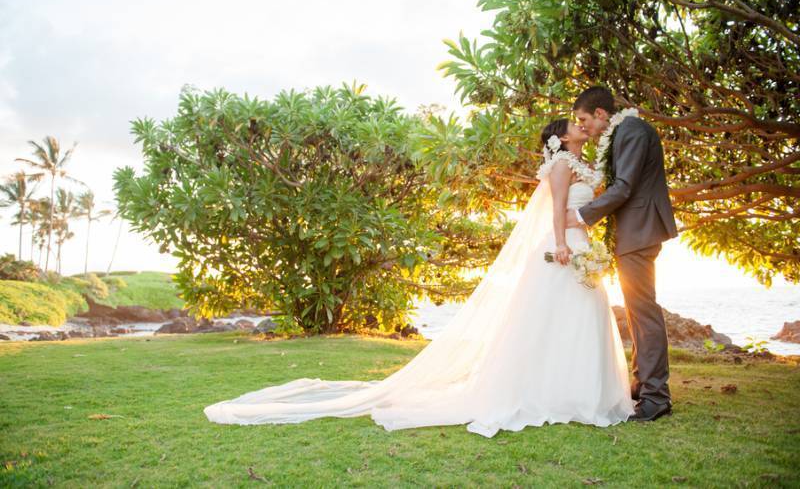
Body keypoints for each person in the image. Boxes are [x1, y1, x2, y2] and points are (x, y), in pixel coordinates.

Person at [204, 118, 636, 438]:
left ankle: (576, 390)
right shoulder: (561, 165)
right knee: (553, 321)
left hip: (583, 247)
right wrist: (562, 244)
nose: (583, 126)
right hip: (562, 249)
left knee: (574, 321)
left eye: (585, 121)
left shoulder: (582, 162)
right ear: (560, 139)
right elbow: (558, 209)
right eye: (575, 124)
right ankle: (550, 391)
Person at [566, 86, 679, 422]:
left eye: (585, 119)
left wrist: (582, 214)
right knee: (636, 312)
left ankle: (656, 397)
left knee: (643, 313)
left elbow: (625, 186)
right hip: (635, 231)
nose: (584, 127)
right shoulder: (624, 132)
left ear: (601, 114)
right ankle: (643, 385)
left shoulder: (631, 130)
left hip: (641, 229)